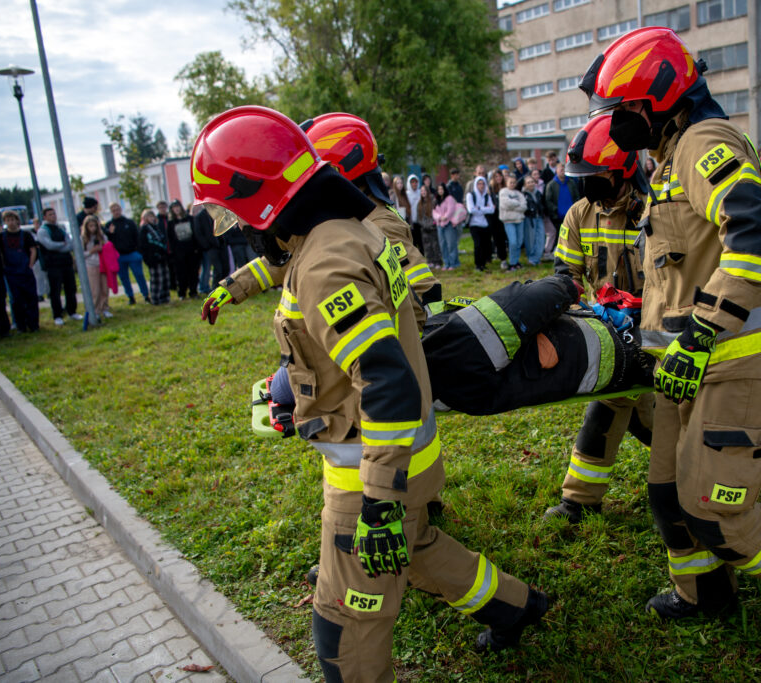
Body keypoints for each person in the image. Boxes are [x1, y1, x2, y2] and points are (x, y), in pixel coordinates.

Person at [191, 105, 548, 682]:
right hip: (393, 457)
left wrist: (378, 503)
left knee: (343, 623)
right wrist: (235, 288)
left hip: (369, 471)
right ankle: (518, 606)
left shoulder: (326, 261)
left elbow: (384, 381)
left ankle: (507, 603)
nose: (231, 224)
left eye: (229, 209)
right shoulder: (333, 231)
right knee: (419, 544)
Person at [582, 26, 761, 629]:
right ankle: (702, 596)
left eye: (624, 109)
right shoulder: (665, 159)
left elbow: (757, 233)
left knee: (714, 513)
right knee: (667, 497)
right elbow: (678, 271)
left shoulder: (702, 143)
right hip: (679, 366)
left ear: (658, 102)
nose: (618, 122)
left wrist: (705, 331)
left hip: (729, 360)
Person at [204, 111, 442, 332]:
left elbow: (423, 291)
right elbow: (287, 258)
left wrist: (423, 343)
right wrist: (233, 286)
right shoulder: (340, 218)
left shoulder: (378, 223)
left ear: (338, 170)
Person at [546, 113, 653, 523]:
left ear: (622, 170)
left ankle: (579, 501)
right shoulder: (578, 214)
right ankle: (578, 501)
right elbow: (566, 276)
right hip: (607, 330)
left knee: (633, 411)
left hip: (654, 332)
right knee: (619, 409)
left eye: (595, 175)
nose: (586, 184)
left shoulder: (653, 211)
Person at [423, 274, 654, 414]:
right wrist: (564, 286)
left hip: (600, 364)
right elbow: (522, 306)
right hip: (613, 342)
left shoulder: (427, 383)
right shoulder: (449, 348)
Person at [0, 210, 39, 333]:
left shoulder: (25, 235)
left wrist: (30, 264)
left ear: (17, 220)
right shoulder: (1, 237)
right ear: (5, 222)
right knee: (16, 300)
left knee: (31, 297)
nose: (10, 222)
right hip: (11, 272)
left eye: (12, 219)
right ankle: (21, 325)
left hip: (25, 270)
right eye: (8, 220)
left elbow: (33, 250)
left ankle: (34, 324)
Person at [36, 207, 80, 325]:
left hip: (66, 263)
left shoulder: (60, 229)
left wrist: (60, 246)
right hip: (53, 265)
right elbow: (49, 245)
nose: (53, 216)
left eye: (54, 214)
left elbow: (70, 244)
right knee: (55, 291)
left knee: (71, 288)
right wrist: (62, 244)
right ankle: (57, 315)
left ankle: (72, 311)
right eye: (50, 215)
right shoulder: (43, 231)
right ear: (45, 217)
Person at [104, 203, 150, 305]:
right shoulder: (109, 225)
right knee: (124, 278)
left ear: (121, 209)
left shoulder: (129, 222)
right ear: (111, 212)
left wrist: (138, 252)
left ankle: (146, 295)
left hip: (132, 254)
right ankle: (130, 297)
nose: (116, 211)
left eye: (117, 209)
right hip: (119, 256)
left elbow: (137, 237)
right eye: (113, 210)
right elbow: (108, 243)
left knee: (139, 275)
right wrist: (110, 233)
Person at [167, 200, 201, 299]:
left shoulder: (190, 219)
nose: (176, 209)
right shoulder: (171, 223)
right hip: (179, 253)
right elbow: (170, 239)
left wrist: (197, 248)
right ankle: (182, 293)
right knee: (181, 274)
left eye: (178, 207)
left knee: (193, 273)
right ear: (172, 210)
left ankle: (193, 292)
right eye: (174, 207)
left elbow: (195, 234)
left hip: (192, 250)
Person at [80, 215, 111, 318]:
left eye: (95, 226)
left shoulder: (102, 236)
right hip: (91, 265)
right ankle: (95, 311)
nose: (93, 228)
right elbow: (80, 255)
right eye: (90, 226)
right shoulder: (83, 239)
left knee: (104, 288)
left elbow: (108, 249)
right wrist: (91, 251)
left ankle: (105, 308)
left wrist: (102, 248)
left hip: (102, 264)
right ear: (86, 227)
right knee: (95, 290)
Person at [139, 208, 171, 305]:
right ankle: (156, 298)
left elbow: (163, 240)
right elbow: (143, 245)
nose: (151, 218)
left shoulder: (157, 227)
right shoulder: (144, 229)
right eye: (149, 216)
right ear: (145, 218)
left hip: (162, 256)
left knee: (165, 277)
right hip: (152, 258)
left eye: (152, 216)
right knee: (157, 279)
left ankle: (165, 297)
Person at [466, 175, 495, 272]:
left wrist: (480, 208)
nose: (481, 186)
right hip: (474, 224)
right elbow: (471, 210)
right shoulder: (471, 195)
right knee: (477, 244)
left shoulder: (487, 196)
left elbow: (491, 209)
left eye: (483, 184)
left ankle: (483, 264)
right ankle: (478, 264)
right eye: (479, 184)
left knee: (485, 244)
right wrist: (484, 209)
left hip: (485, 224)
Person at [544, 163, 579, 242]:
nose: (563, 172)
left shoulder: (571, 182)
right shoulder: (551, 184)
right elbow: (548, 200)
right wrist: (555, 209)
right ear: (556, 171)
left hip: (571, 214)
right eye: (561, 170)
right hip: (557, 216)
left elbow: (577, 197)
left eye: (565, 170)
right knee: (559, 235)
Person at [498, 175, 527, 270]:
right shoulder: (503, 192)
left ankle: (516, 261)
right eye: (510, 182)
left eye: (514, 182)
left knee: (519, 242)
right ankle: (512, 263)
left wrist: (513, 204)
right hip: (509, 221)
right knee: (513, 242)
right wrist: (517, 203)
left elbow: (524, 206)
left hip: (519, 220)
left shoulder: (519, 193)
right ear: (507, 182)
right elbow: (505, 204)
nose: (512, 184)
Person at [432, 183, 462, 270]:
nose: (440, 191)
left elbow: (451, 209)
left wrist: (445, 217)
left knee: (451, 244)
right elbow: (434, 212)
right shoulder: (436, 200)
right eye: (439, 189)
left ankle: (453, 263)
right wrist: (439, 217)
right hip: (439, 224)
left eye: (442, 189)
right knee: (443, 245)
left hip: (448, 224)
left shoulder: (449, 198)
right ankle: (446, 262)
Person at [192, 203, 219, 294]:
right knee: (206, 268)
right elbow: (199, 233)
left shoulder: (215, 213)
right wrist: (206, 245)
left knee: (216, 268)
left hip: (217, 245)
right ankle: (203, 287)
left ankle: (209, 287)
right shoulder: (200, 217)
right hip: (207, 248)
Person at [488, 169, 509, 268]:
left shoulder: (506, 187)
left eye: (500, 176)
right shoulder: (491, 188)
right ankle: (502, 258)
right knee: (498, 238)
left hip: (506, 214)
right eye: (496, 176)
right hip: (495, 216)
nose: (498, 178)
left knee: (506, 237)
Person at [522, 176, 545, 266]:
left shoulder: (538, 193)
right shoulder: (524, 194)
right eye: (528, 182)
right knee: (530, 239)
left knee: (540, 238)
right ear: (525, 184)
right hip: (529, 218)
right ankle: (531, 259)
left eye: (532, 182)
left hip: (539, 217)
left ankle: (537, 257)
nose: (531, 184)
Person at [406, 174, 425, 253]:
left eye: (416, 182)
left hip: (419, 222)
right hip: (411, 222)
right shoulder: (406, 194)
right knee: (413, 242)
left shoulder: (420, 193)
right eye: (412, 182)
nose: (414, 184)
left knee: (421, 242)